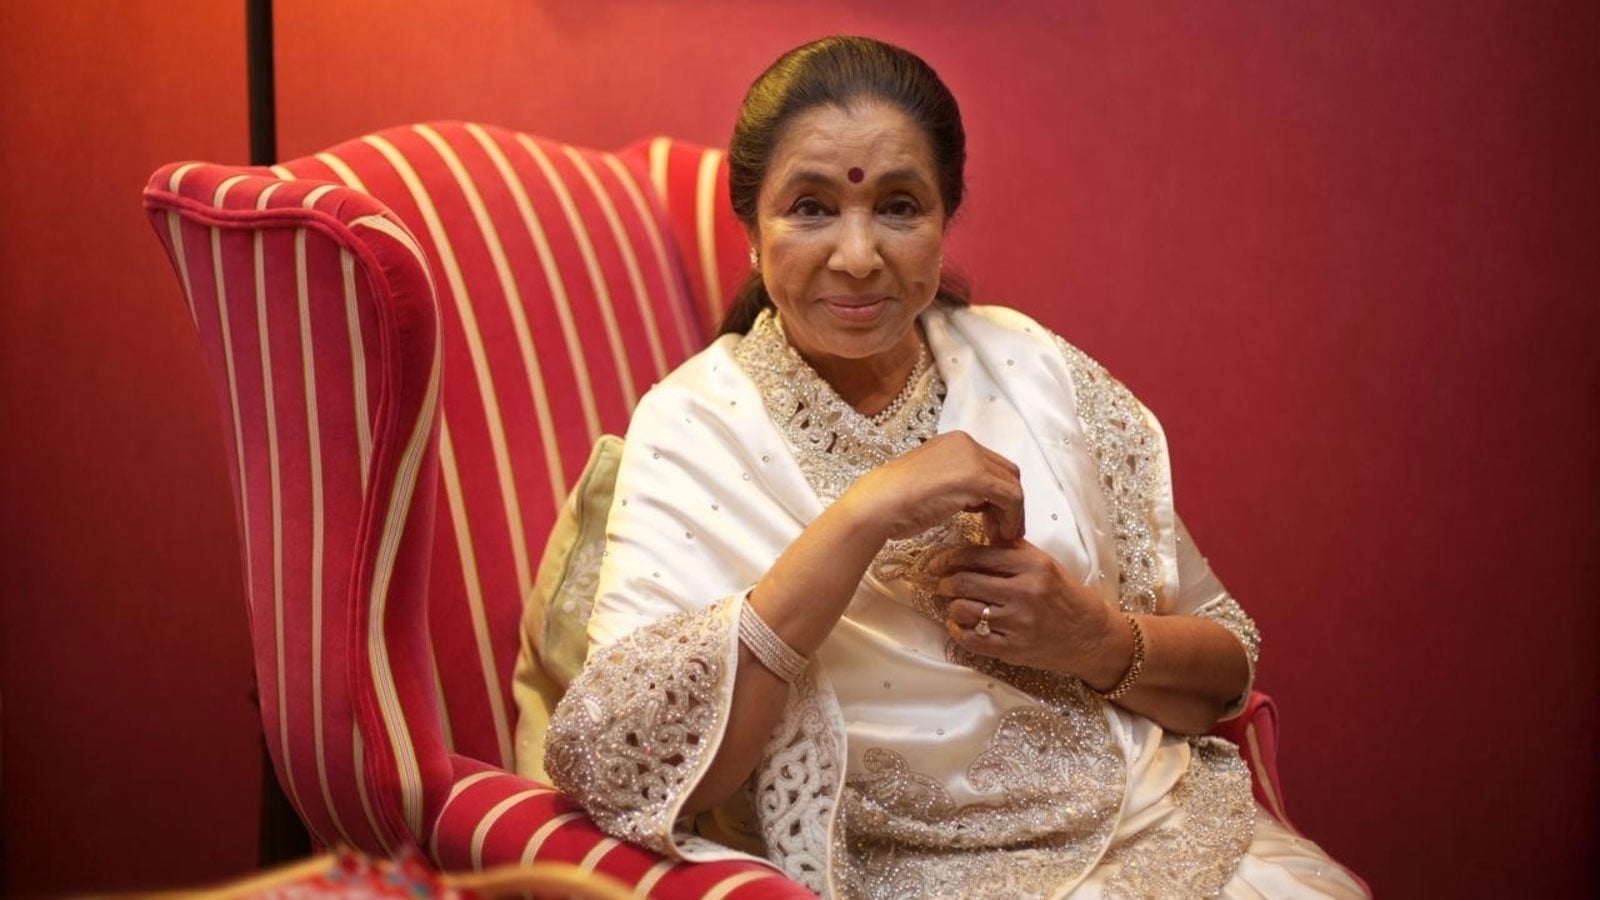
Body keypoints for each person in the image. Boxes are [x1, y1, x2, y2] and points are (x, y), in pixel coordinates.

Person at [539, 35, 1367, 898]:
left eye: (899, 207)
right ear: (752, 229)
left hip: (1166, 829)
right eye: (811, 208)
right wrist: (862, 515)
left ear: (944, 221)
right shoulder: (693, 426)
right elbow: (625, 772)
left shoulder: (1032, 369)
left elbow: (1226, 668)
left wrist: (1090, 638)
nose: (858, 255)